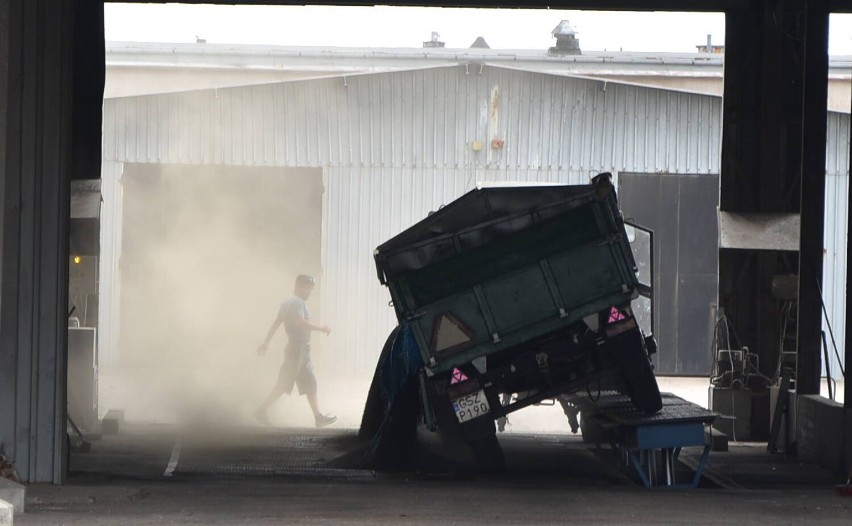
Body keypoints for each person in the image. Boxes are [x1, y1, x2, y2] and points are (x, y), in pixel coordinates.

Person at [254, 274, 337, 428]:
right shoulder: (297, 303)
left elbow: (276, 323)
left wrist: (266, 342)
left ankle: (318, 417)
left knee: (307, 382)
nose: (310, 293)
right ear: (299, 287)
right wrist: (321, 328)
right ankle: (262, 410)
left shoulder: (287, 303)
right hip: (298, 349)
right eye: (308, 289)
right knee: (286, 383)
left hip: (297, 348)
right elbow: (300, 322)